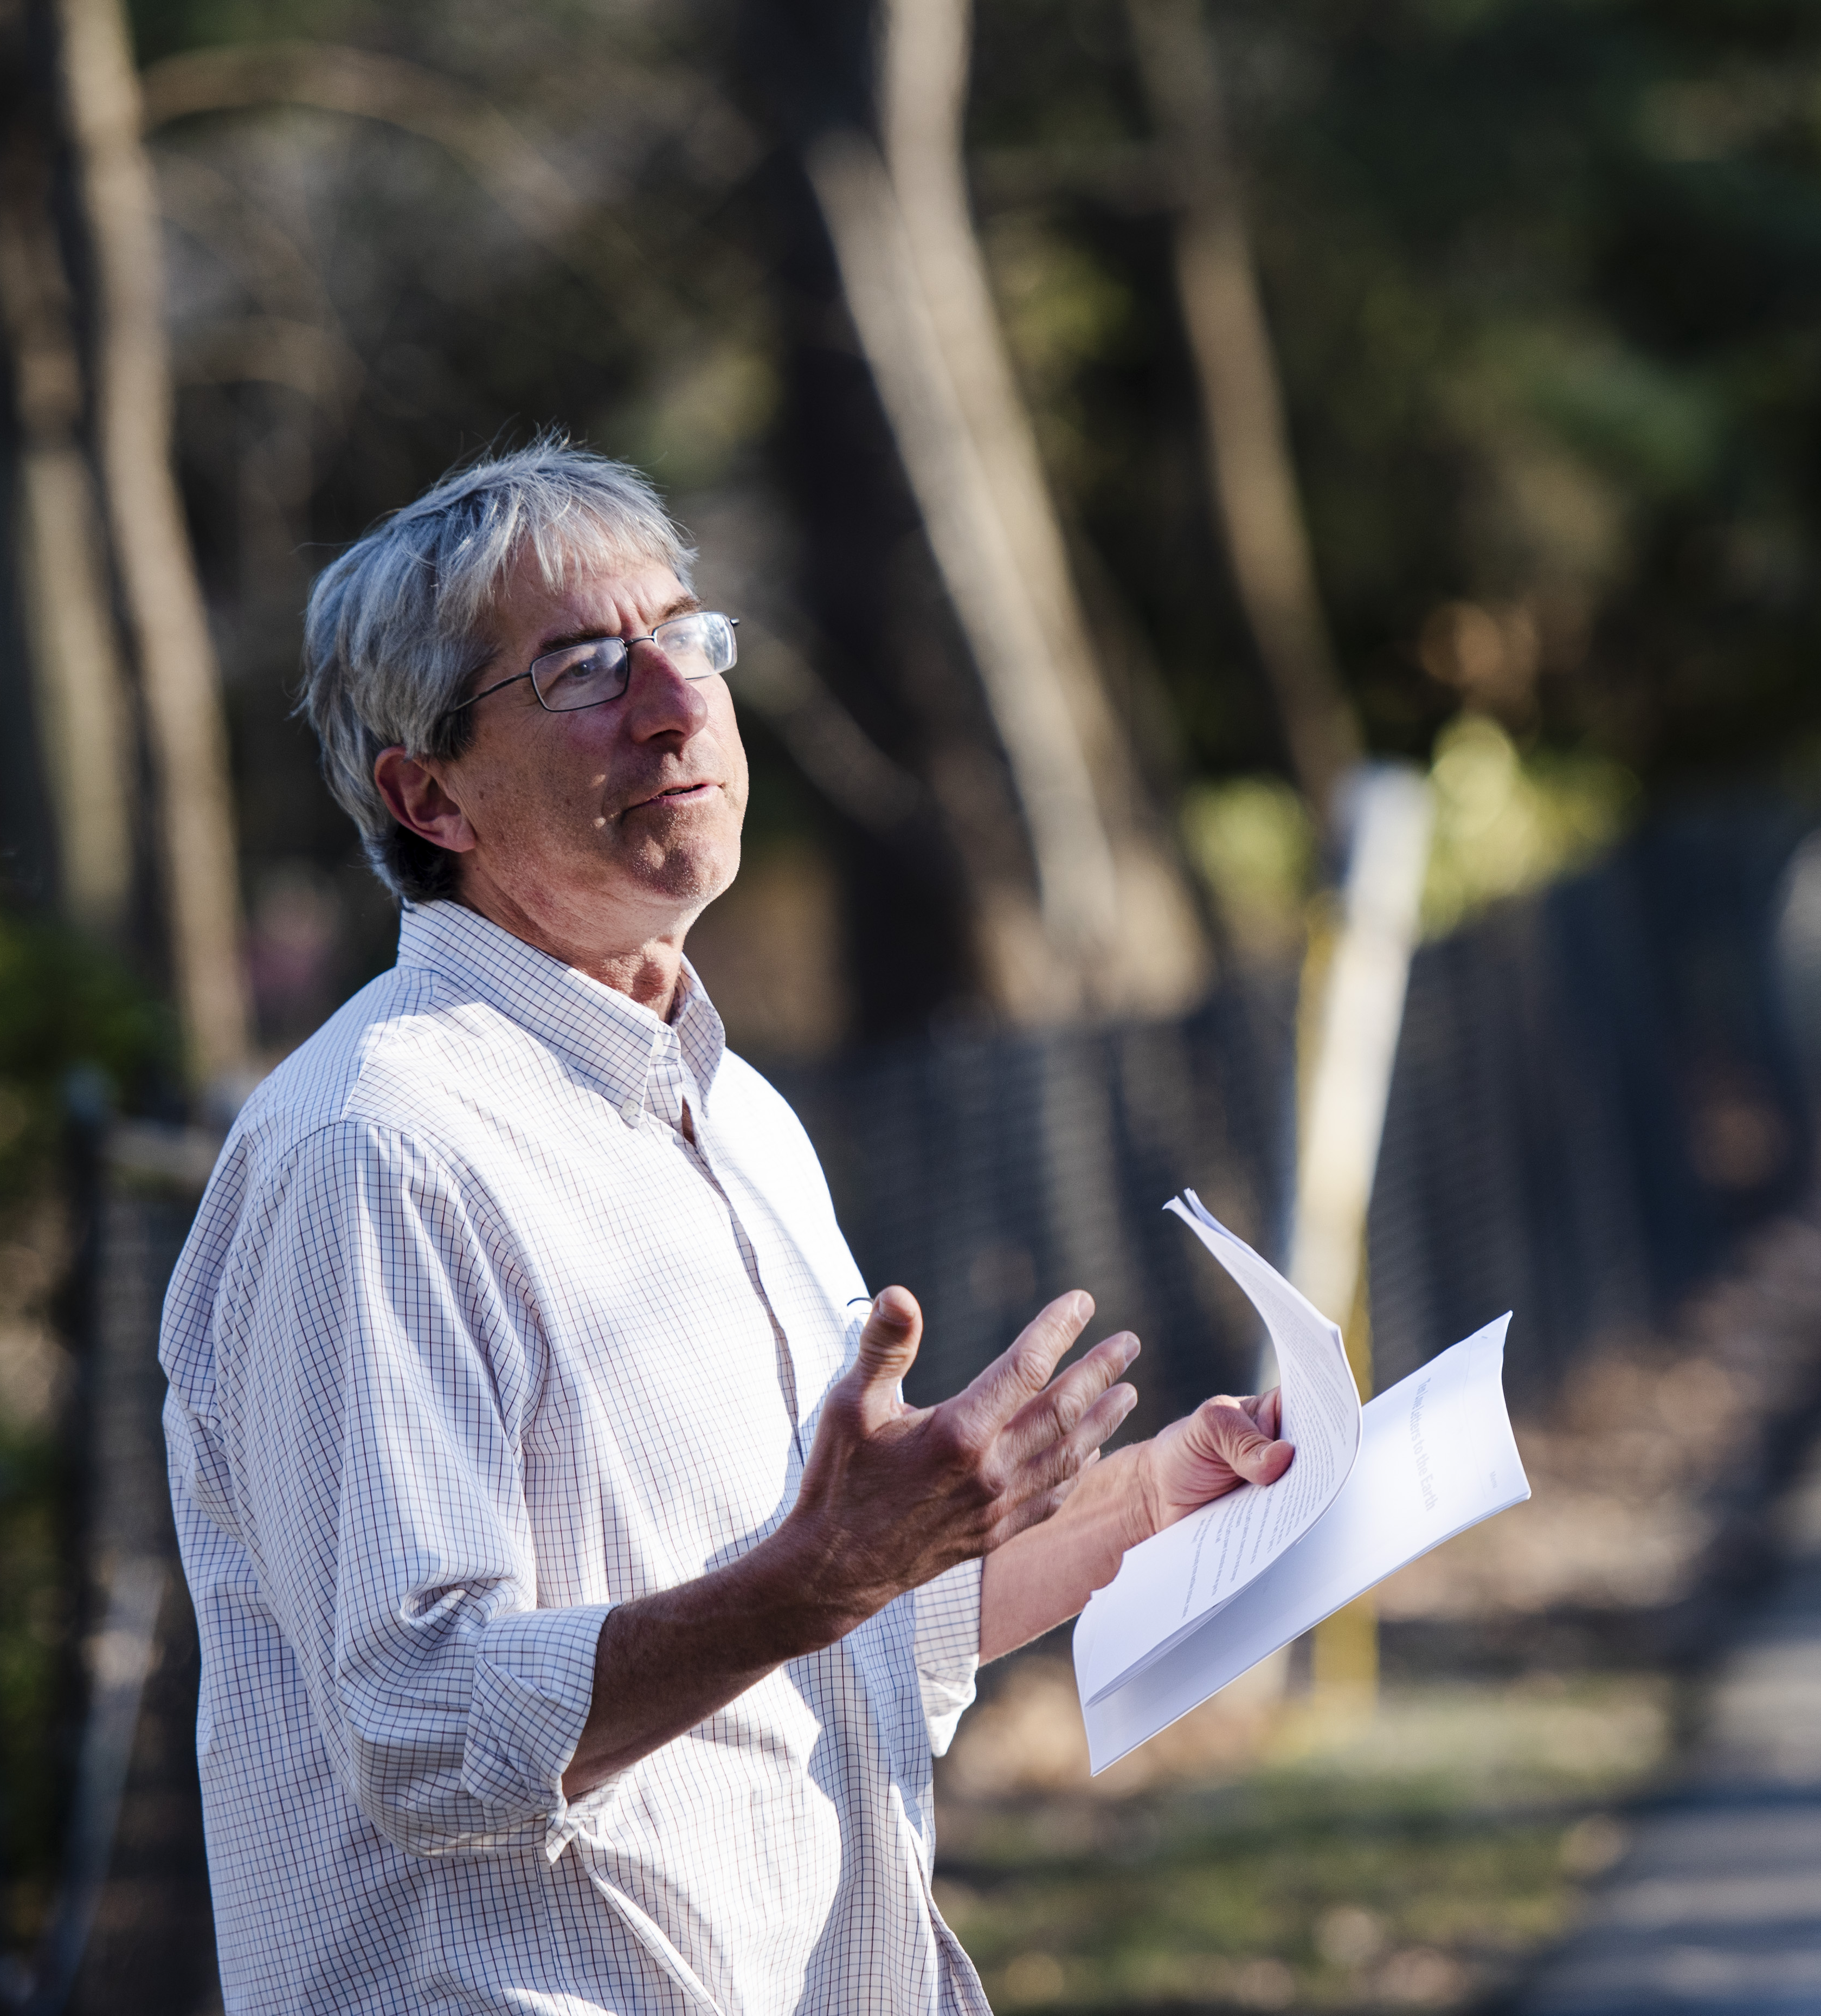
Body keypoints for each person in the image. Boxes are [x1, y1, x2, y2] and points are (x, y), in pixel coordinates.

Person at [159, 440, 1293, 2015]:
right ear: (428, 794)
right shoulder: (375, 1149)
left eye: (687, 636)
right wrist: (820, 1574)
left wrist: (1144, 1511)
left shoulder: (730, 1113)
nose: (673, 698)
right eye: (579, 668)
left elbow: (839, 1650)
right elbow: (421, 1731)